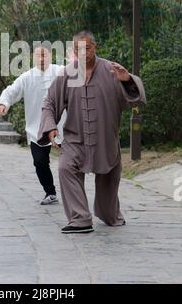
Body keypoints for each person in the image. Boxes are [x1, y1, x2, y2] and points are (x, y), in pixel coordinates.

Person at [38, 30, 146, 234]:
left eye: (86, 47)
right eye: (78, 48)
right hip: (75, 138)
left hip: (105, 139)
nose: (83, 52)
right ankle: (80, 219)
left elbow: (136, 100)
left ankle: (109, 214)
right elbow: (50, 102)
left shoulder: (112, 70)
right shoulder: (67, 74)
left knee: (108, 196)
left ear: (94, 47)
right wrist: (51, 127)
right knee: (65, 168)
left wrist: (126, 80)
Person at [0, 45, 64, 205]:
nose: (41, 59)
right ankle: (50, 192)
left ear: (50, 56)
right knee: (39, 161)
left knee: (68, 164)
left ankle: (72, 192)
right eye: (38, 56)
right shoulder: (27, 77)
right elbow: (11, 91)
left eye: (44, 55)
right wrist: (3, 103)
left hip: (61, 126)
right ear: (33, 58)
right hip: (36, 128)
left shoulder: (60, 72)